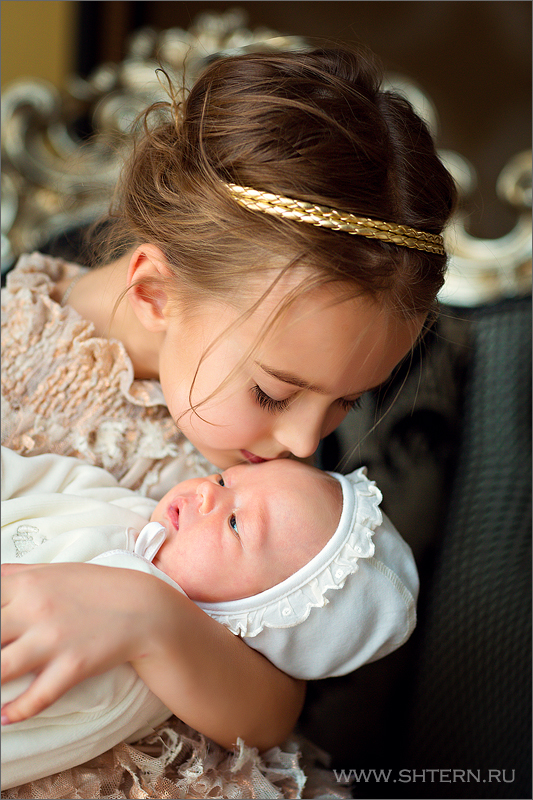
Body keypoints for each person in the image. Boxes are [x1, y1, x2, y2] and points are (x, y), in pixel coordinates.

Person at [1, 46, 456, 796]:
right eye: (274, 394)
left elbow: (272, 711)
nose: (305, 444)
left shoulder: (253, 483)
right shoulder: (13, 356)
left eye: (347, 400)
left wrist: (151, 617)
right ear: (155, 295)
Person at [1, 446, 417, 789]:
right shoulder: (122, 504)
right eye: (223, 480)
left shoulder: (130, 674)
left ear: (253, 617)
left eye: (235, 524)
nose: (205, 492)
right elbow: (29, 477)